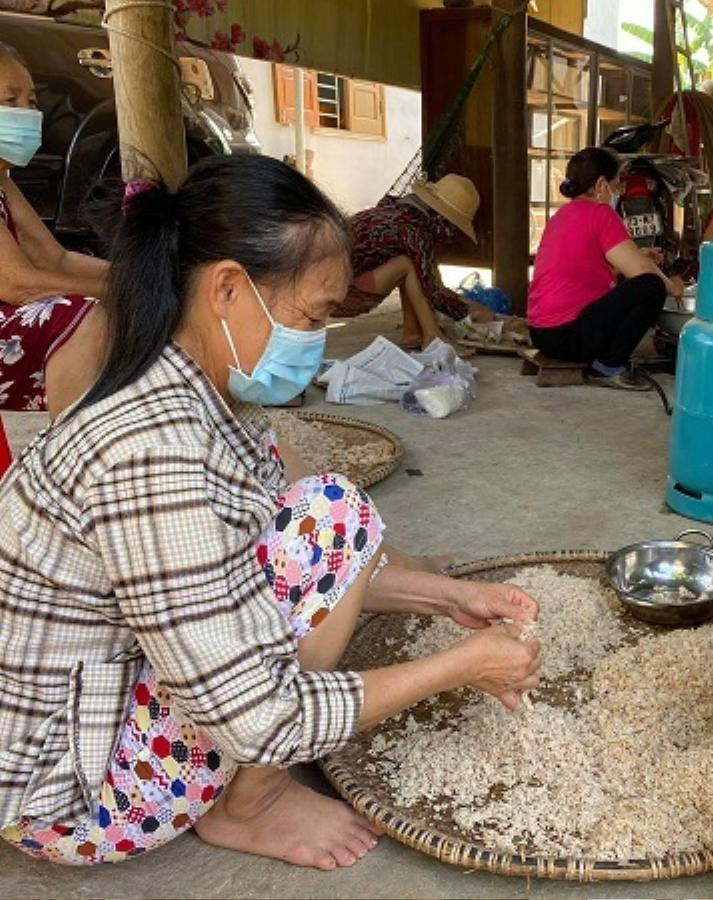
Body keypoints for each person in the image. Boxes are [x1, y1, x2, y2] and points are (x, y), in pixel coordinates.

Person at [0, 154, 542, 868]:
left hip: (100, 690)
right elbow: (258, 719)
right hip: (67, 799)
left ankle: (240, 795)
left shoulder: (185, 382)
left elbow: (253, 556)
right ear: (227, 288)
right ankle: (249, 803)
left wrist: (448, 600)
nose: (316, 344)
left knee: (325, 513)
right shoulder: (153, 454)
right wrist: (461, 666)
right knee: (332, 512)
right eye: (312, 316)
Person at [0, 41, 108, 417]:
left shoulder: (2, 181)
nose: (26, 113)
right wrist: (134, 292)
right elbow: (20, 284)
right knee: (82, 315)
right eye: (9, 100)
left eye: (30, 102)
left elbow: (56, 258)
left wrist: (141, 275)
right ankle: (70, 451)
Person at [527, 147, 682, 391]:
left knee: (633, 281)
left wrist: (637, 256)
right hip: (570, 336)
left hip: (541, 334)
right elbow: (642, 271)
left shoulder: (562, 215)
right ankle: (607, 367)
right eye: (616, 183)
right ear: (601, 184)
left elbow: (585, 268)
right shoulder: (601, 213)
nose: (618, 191)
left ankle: (602, 360)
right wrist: (674, 287)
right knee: (651, 286)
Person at [345, 173, 495, 349]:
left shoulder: (397, 211)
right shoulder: (414, 229)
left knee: (409, 265)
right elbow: (434, 292)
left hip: (337, 286)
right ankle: (433, 338)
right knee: (407, 265)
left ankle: (412, 333)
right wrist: (472, 311)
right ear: (441, 218)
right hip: (343, 295)